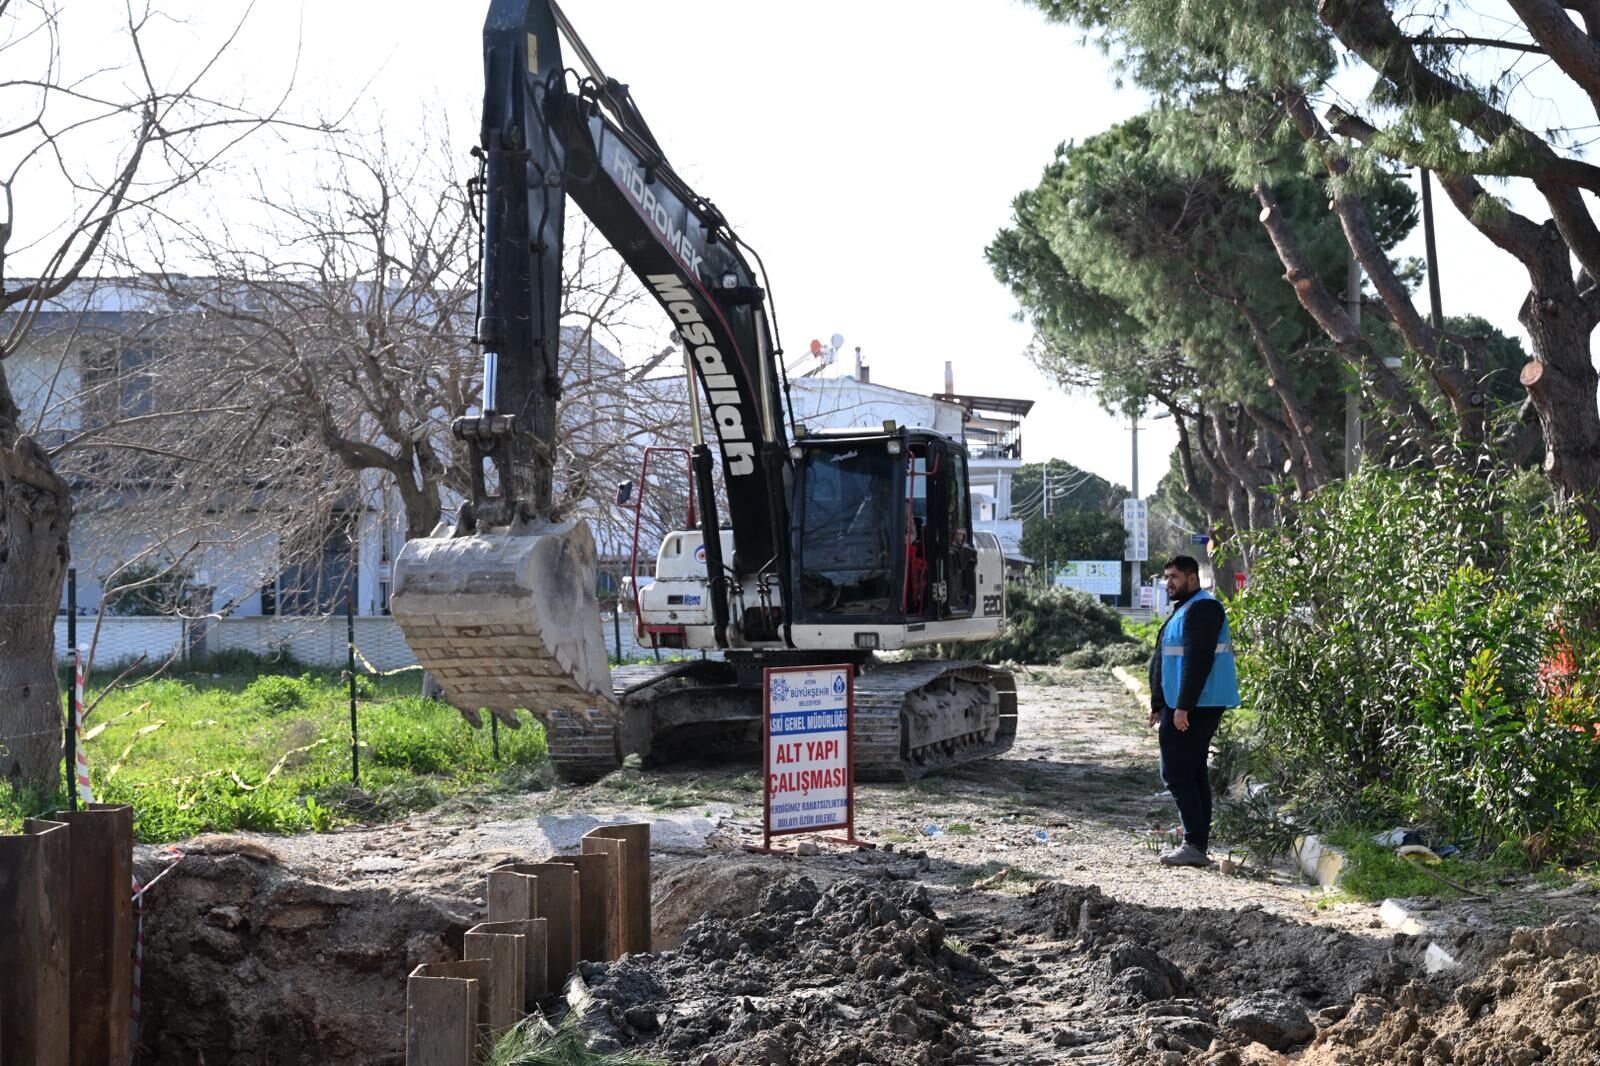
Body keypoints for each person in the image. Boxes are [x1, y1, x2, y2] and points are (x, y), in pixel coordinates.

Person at [1147, 554, 1239, 867]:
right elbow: (1165, 657)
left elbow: (1197, 662)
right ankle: (1196, 841)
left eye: (1174, 576)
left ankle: (1194, 843)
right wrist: (1159, 702)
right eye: (1167, 577)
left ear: (1191, 578)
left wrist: (1183, 706)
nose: (1169, 583)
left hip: (1199, 703)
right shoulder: (1185, 609)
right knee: (1193, 769)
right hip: (1184, 703)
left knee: (1174, 770)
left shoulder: (1204, 607)